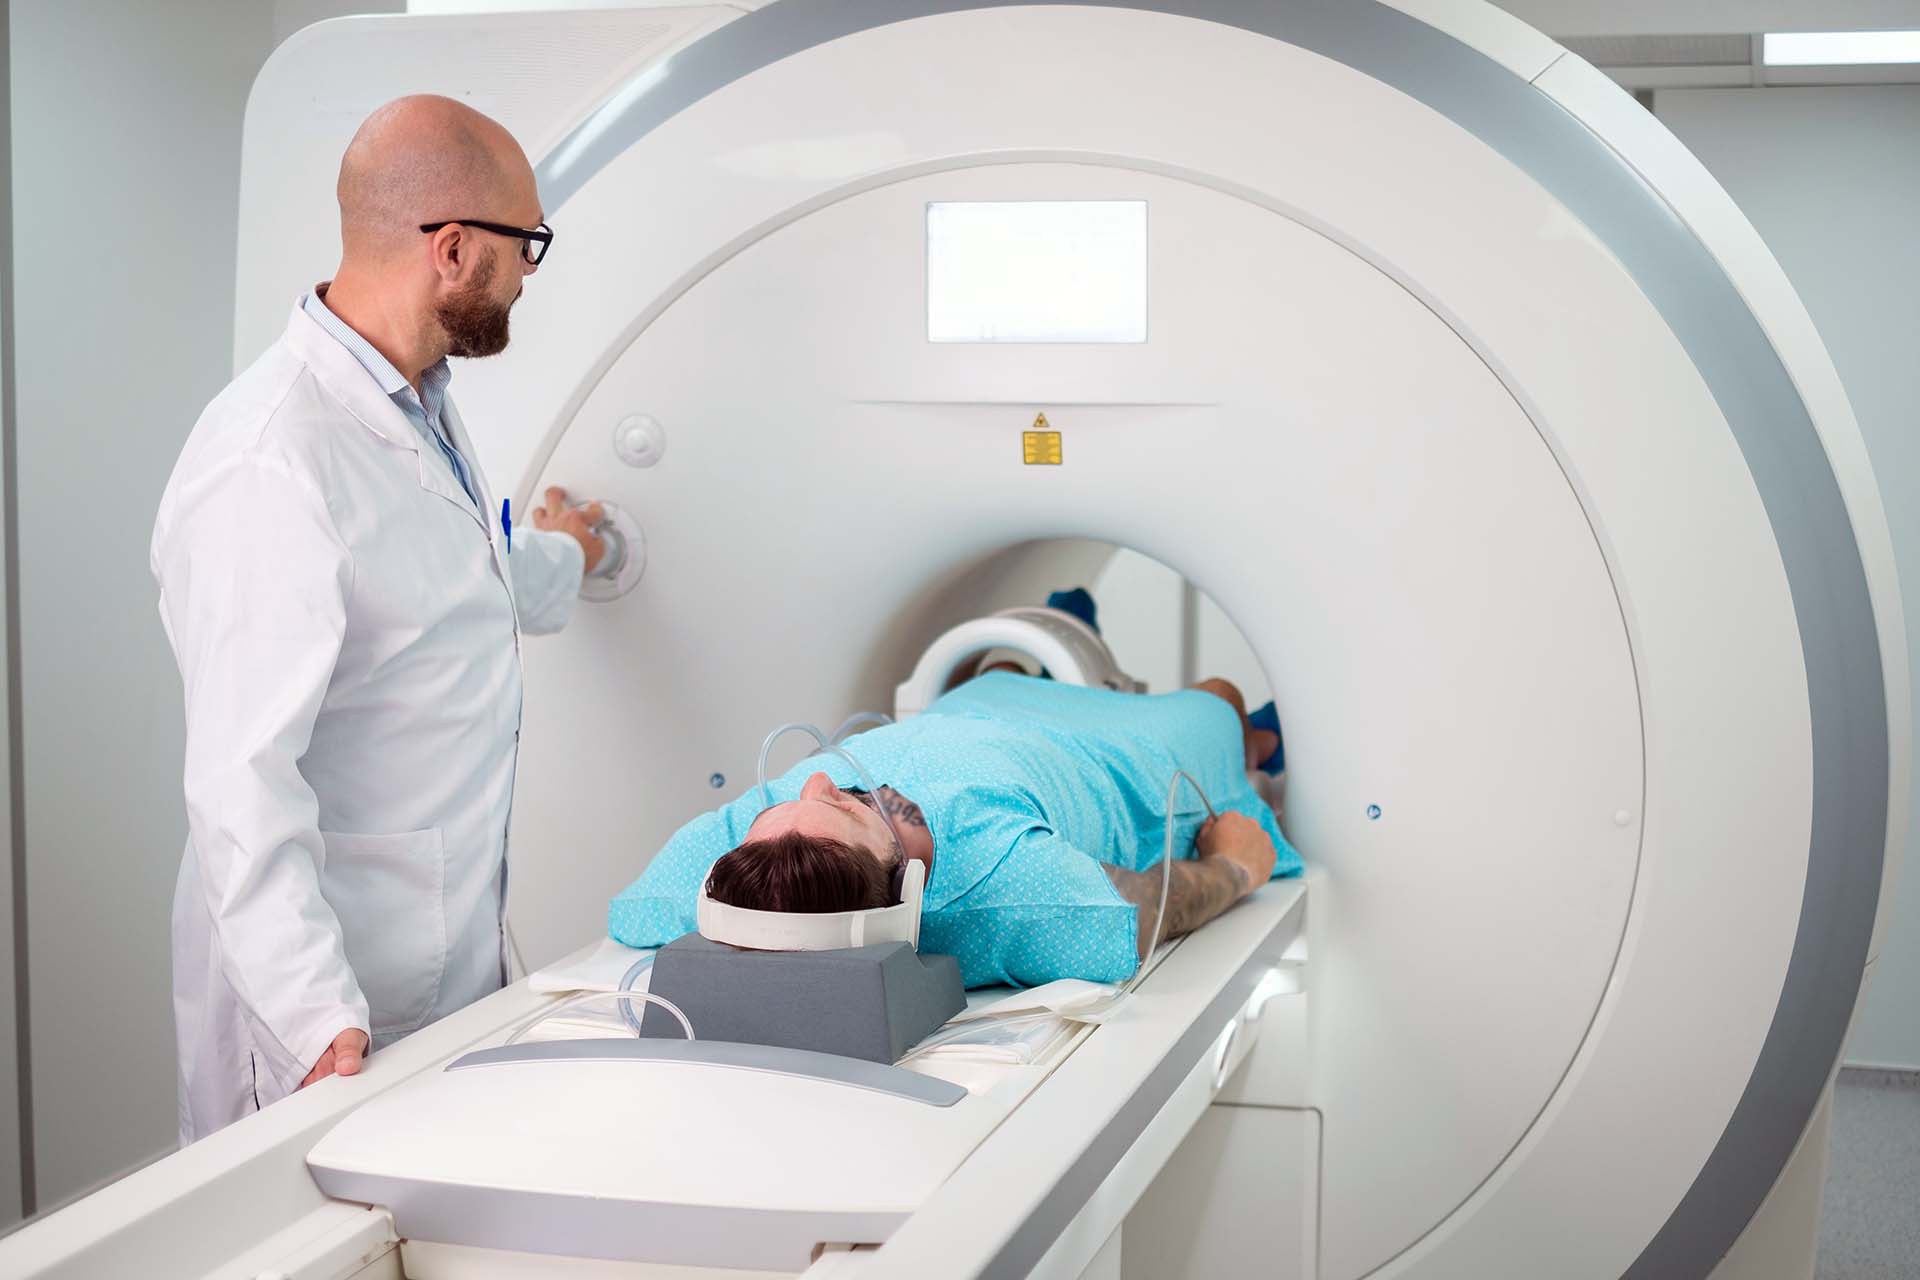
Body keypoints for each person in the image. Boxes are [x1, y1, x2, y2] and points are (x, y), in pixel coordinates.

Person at [153, 96, 606, 1141]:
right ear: (452, 249)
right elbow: (240, 778)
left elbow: (463, 586)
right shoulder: (269, 460)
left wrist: (574, 550)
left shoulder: (419, 404)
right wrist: (316, 1021)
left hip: (436, 968)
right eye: (524, 243)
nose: (531, 271)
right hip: (321, 1011)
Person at [610, 672, 1302, 987]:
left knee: (997, 666)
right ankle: (1258, 743)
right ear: (904, 886)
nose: (818, 781)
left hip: (975, 706)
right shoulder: (1009, 892)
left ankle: (1064, 624)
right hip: (1116, 756)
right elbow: (1143, 911)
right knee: (1217, 696)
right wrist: (1235, 868)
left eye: (796, 798)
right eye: (852, 808)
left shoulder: (733, 865)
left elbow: (630, 909)